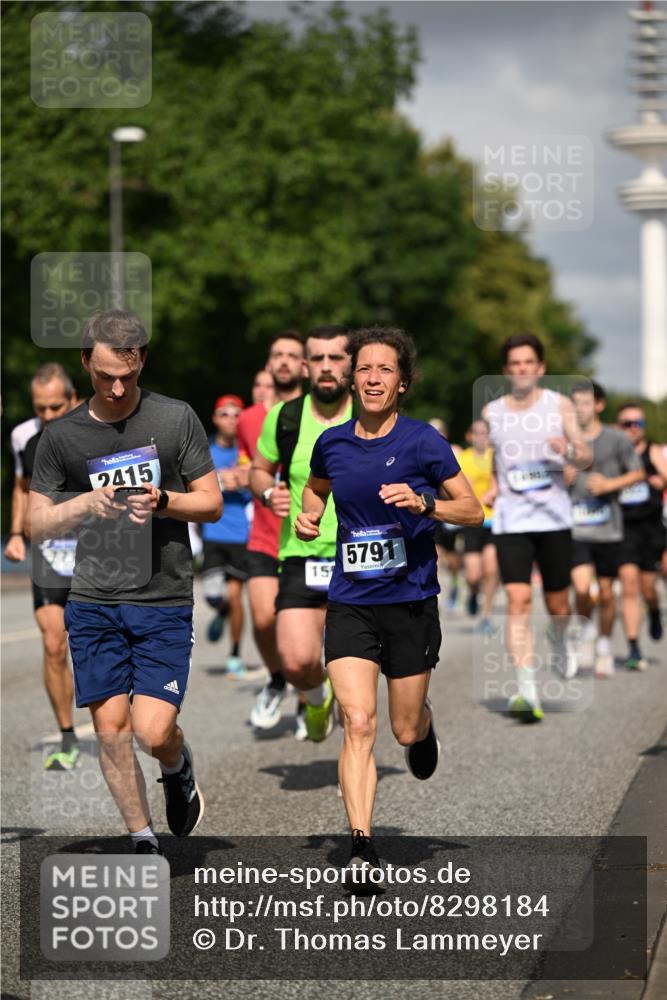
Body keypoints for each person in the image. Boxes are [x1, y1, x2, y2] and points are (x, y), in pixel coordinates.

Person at [29, 310, 221, 853]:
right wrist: (84, 505)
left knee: (152, 731)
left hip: (162, 598)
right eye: (106, 374)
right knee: (112, 731)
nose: (118, 387)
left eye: (129, 376)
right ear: (85, 361)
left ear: (142, 362)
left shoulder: (175, 419)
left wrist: (164, 501)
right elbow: (35, 523)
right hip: (93, 600)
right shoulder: (60, 437)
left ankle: (177, 764)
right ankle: (142, 838)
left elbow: (211, 504)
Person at [296, 327, 482, 876]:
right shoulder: (332, 443)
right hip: (351, 600)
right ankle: (360, 846)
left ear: (402, 383)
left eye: (385, 370)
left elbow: (472, 511)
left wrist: (425, 504)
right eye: (365, 369)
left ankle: (423, 727)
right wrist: (309, 519)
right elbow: (317, 490)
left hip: (410, 601)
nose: (373, 378)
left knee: (401, 730)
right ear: (352, 379)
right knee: (357, 721)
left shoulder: (424, 442)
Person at [250, 325, 353, 742]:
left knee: (358, 671)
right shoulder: (285, 418)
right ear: (307, 366)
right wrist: (268, 490)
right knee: (295, 661)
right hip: (301, 553)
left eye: (336, 358)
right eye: (319, 359)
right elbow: (259, 469)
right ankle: (315, 696)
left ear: (350, 364)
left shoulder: (368, 415)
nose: (327, 368)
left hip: (359, 555)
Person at [483, 333, 591, 724]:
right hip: (512, 519)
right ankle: (526, 687)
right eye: (514, 364)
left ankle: (561, 639)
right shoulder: (493, 412)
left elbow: (586, 454)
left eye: (528, 362)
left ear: (540, 368)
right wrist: (495, 485)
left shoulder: (558, 405)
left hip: (553, 518)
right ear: (507, 370)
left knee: (558, 604)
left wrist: (568, 451)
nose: (522, 369)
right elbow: (497, 457)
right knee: (517, 601)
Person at [5, 363, 80, 769]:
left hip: (99, 552)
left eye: (56, 407)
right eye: (41, 409)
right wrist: (17, 533)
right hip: (51, 553)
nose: (48, 416)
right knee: (54, 643)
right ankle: (68, 737)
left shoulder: (96, 427)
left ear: (72, 399)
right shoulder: (22, 436)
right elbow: (22, 485)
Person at [237, 335, 306, 732]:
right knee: (263, 619)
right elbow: (252, 467)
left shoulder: (319, 413)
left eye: (292, 356)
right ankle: (277, 679)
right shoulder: (249, 419)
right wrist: (252, 484)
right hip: (265, 533)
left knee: (307, 626)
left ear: (306, 366)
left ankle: (306, 697)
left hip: (309, 536)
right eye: (277, 354)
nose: (284, 362)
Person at [567, 383, 644, 677]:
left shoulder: (616, 439)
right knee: (583, 588)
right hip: (577, 528)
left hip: (609, 529)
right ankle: (587, 630)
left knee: (609, 594)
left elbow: (637, 472)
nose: (580, 409)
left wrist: (610, 485)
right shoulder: (567, 441)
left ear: (599, 405)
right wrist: (565, 476)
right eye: (575, 403)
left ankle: (604, 644)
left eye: (585, 403)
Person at [200, 394, 251, 676]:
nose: (231, 419)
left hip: (241, 534)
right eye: (225, 414)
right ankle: (219, 611)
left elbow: (263, 479)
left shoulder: (248, 450)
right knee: (212, 594)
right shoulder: (205, 450)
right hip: (213, 531)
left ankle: (234, 655)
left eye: (236, 414)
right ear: (215, 418)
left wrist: (245, 478)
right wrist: (221, 480)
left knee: (235, 595)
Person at [616, 402, 667, 670]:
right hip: (623, 528)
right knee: (629, 584)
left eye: (638, 423)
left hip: (650, 528)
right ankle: (634, 646)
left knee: (648, 587)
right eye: (627, 423)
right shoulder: (614, 453)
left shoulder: (654, 451)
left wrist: (658, 479)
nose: (633, 428)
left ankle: (655, 611)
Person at [458, 419, 499, 634]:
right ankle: (473, 593)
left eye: (485, 432)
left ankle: (487, 614)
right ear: (469, 436)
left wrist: (495, 492)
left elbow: (502, 482)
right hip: (473, 520)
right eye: (477, 432)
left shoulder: (496, 456)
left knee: (491, 568)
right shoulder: (464, 459)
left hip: (495, 520)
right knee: (473, 574)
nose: (481, 436)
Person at [429, 419, 463, 611]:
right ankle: (438, 592)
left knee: (453, 559)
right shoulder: (422, 451)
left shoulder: (455, 451)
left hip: (451, 510)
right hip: (432, 511)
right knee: (436, 554)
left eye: (439, 431)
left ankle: (456, 584)